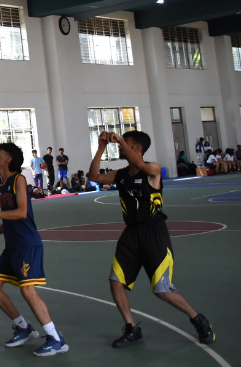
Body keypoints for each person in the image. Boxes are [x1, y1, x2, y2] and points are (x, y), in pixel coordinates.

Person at [88, 131, 214, 347]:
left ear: (137, 148)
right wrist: (101, 148)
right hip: (131, 234)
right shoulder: (121, 175)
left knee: (162, 290)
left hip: (154, 233)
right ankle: (132, 328)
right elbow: (93, 177)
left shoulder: (153, 170)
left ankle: (197, 318)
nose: (120, 146)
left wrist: (119, 139)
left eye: (125, 143)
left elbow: (140, 164)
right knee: (116, 282)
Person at [0, 142, 68, 356]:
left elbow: (22, 213)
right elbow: (10, 218)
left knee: (27, 290)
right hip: (12, 246)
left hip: (27, 244)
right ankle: (24, 328)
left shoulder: (19, 180)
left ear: (8, 159)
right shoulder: (3, 184)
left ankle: (56, 339)